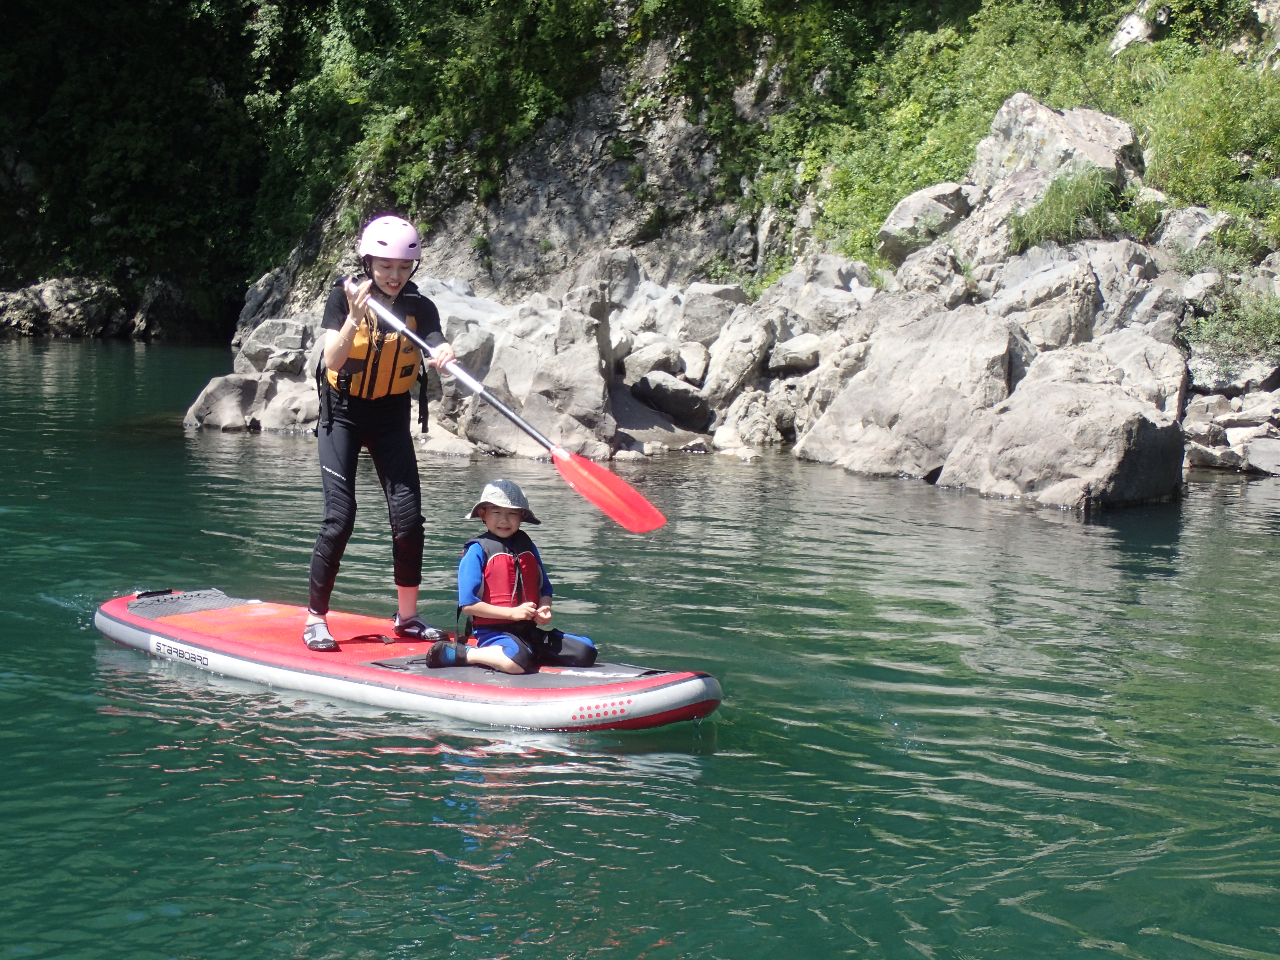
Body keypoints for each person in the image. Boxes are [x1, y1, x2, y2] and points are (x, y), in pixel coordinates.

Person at [302, 215, 456, 651]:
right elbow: (333, 359)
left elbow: (434, 339)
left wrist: (442, 350)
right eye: (385, 266)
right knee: (340, 516)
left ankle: (407, 617)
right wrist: (353, 317)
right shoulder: (344, 296)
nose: (394, 275)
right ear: (368, 262)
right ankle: (315, 619)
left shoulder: (419, 308)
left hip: (390, 415)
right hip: (343, 414)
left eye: (403, 268)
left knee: (408, 520)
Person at [423, 479, 598, 673]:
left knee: (586, 650)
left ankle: (528, 652)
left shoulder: (527, 546)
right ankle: (465, 653)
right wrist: (511, 613)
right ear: (483, 514)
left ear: (521, 516)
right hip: (493, 633)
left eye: (512, 513)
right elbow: (468, 605)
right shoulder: (477, 550)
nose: (504, 520)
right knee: (516, 662)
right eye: (497, 512)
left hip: (529, 632)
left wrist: (544, 608)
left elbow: (544, 590)